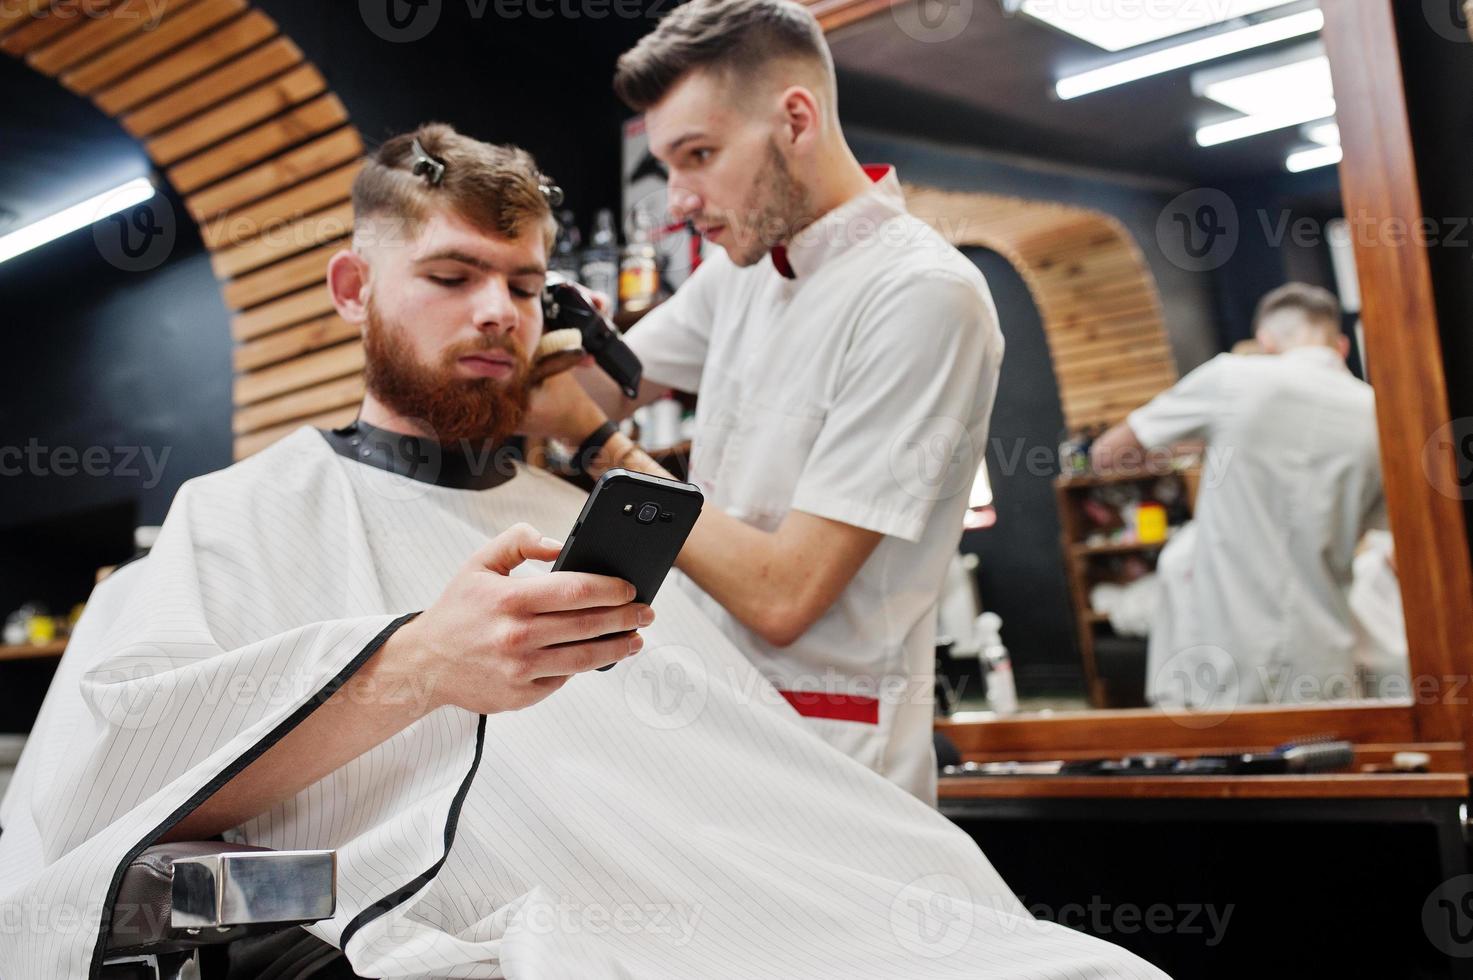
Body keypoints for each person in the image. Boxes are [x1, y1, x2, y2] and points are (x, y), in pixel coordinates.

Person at [0, 125, 1163, 980]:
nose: (497, 312)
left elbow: (740, 776)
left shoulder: (583, 508)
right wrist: (419, 667)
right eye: (452, 278)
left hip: (742, 911)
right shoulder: (242, 510)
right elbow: (124, 788)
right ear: (354, 289)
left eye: (521, 284)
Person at [522, 0, 1003, 803]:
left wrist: (602, 445)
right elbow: (576, 389)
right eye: (668, 165)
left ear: (796, 119)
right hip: (716, 727)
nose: (676, 198)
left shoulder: (923, 297)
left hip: (837, 757)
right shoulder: (741, 273)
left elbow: (784, 596)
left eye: (698, 155)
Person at [1090, 283, 1386, 708]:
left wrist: (1199, 444)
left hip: (1228, 653)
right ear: (1339, 346)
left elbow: (1108, 454)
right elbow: (1377, 530)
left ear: (1265, 342)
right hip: (1323, 655)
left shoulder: (1232, 378)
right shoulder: (1374, 410)